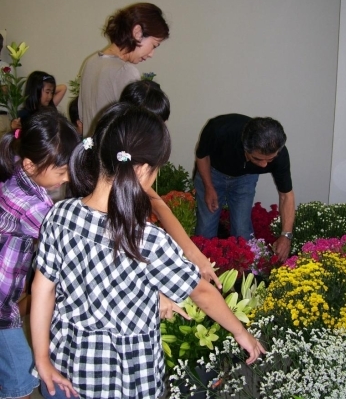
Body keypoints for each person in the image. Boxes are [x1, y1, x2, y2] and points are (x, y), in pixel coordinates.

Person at [30, 103, 265, 399]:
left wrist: (42, 360)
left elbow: (42, 290)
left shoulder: (60, 215)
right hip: (126, 382)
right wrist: (240, 332)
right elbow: (202, 293)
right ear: (142, 170)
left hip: (64, 373)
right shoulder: (147, 240)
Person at [0, 110, 80, 399]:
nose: (68, 177)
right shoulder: (29, 205)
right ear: (32, 165)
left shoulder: (19, 171)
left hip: (6, 297)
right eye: (61, 171)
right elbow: (67, 244)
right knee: (21, 377)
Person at [120, 80, 220, 287]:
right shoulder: (120, 160)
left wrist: (193, 253)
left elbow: (158, 204)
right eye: (157, 123)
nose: (161, 130)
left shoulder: (134, 153)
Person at [194, 114, 295, 263]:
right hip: (212, 173)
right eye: (257, 159)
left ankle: (243, 276)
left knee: (242, 231)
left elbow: (286, 195)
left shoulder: (280, 155)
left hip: (245, 178)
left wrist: (286, 236)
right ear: (245, 148)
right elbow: (202, 156)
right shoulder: (219, 130)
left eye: (270, 159)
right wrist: (209, 187)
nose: (264, 165)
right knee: (205, 230)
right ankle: (201, 275)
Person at [78, 2, 169, 136]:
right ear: (137, 32)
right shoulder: (125, 71)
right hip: (113, 154)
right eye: (154, 45)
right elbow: (137, 128)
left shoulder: (90, 62)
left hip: (89, 151)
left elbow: (82, 116)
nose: (151, 54)